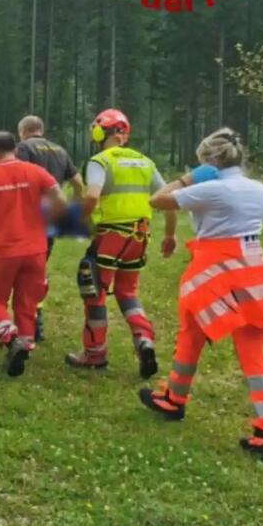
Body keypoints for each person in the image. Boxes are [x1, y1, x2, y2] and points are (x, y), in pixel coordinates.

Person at [139, 130, 263, 463]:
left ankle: (175, 399)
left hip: (215, 268)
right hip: (254, 266)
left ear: (210, 162)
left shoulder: (212, 188)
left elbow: (157, 199)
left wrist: (188, 178)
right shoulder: (258, 188)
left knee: (191, 332)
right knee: (252, 349)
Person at [66, 108, 177, 379]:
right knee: (128, 293)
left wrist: (78, 219)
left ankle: (95, 353)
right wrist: (170, 236)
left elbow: (92, 197)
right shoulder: (145, 162)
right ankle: (143, 339)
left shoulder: (100, 161)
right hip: (140, 236)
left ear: (100, 131)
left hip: (110, 237)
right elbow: (170, 200)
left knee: (94, 291)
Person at [0, 132, 67, 377]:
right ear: (14, 150)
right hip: (36, 249)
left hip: (3, 251)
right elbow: (60, 201)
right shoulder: (36, 172)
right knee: (27, 303)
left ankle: (9, 338)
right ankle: (24, 346)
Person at [16, 115, 87, 340]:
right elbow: (78, 184)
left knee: (19, 270)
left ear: (24, 131)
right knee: (38, 269)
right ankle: (37, 319)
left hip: (27, 218)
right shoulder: (60, 151)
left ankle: (26, 322)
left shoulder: (24, 148)